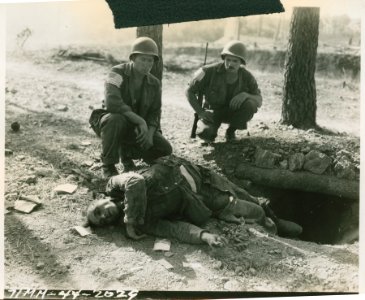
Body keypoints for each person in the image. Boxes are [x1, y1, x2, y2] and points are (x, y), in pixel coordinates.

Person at [85, 155, 302, 246]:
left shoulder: (113, 185)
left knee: (241, 191)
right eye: (103, 220)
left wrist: (130, 220)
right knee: (253, 211)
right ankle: (266, 220)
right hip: (200, 199)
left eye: (98, 211)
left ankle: (276, 220)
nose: (105, 215)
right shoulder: (145, 223)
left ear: (101, 200)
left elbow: (136, 182)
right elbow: (174, 229)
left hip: (193, 172)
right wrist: (204, 236)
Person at [89, 37, 172, 178]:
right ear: (133, 58)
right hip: (113, 122)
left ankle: (127, 155)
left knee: (165, 149)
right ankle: (108, 165)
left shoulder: (155, 83)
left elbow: (155, 112)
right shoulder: (117, 72)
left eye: (150, 60)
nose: (146, 64)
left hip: (137, 127)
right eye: (142, 59)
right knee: (116, 119)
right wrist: (140, 121)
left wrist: (150, 134)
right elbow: (112, 102)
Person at [186, 40, 262, 142]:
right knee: (206, 134)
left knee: (250, 105)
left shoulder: (247, 76)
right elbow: (189, 91)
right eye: (228, 59)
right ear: (224, 59)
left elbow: (259, 100)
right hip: (212, 113)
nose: (230, 64)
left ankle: (231, 131)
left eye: (235, 61)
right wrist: (200, 112)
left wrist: (245, 95)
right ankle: (211, 131)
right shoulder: (208, 71)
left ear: (241, 63)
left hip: (233, 113)